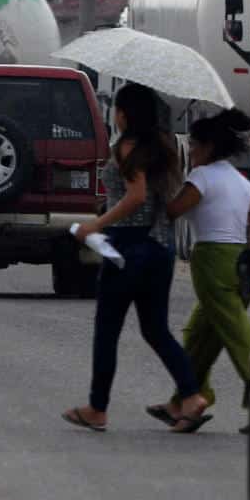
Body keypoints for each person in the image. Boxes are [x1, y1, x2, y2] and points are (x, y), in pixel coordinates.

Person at [61, 84, 209, 434]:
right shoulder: (160, 146)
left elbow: (135, 195)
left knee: (107, 329)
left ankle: (97, 408)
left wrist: (96, 224)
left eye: (116, 108)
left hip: (129, 247)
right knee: (155, 328)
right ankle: (191, 396)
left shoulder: (128, 147)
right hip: (159, 247)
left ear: (124, 114)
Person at [163, 108, 250, 431]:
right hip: (240, 261)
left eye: (194, 145)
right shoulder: (240, 181)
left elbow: (172, 210)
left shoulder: (202, 177)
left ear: (209, 146)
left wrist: (166, 180)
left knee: (238, 337)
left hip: (211, 260)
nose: (191, 150)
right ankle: (188, 399)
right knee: (199, 334)